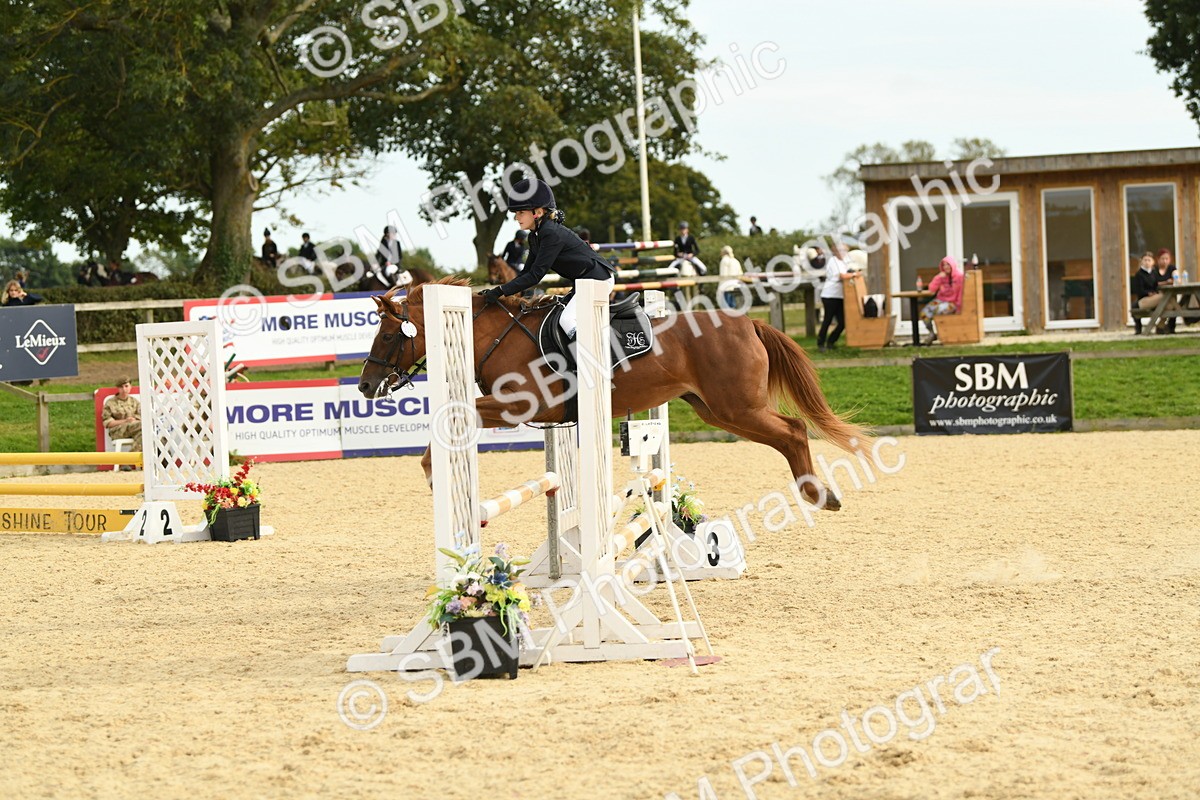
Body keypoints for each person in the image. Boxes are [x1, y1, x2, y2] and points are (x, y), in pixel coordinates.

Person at [480, 178, 615, 339]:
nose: (517, 217)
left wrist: (501, 291)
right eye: (516, 213)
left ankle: (597, 359)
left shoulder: (550, 233)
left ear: (537, 212)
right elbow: (526, 273)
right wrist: (500, 291)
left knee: (567, 320)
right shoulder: (535, 236)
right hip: (583, 282)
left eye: (521, 212)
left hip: (598, 279)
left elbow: (536, 275)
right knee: (555, 314)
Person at [816, 244, 854, 352]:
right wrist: (855, 274)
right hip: (830, 296)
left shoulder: (843, 262)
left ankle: (831, 342)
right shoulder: (833, 261)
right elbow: (841, 276)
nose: (844, 253)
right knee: (827, 320)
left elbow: (848, 272)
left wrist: (852, 273)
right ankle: (821, 343)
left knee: (843, 322)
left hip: (839, 296)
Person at [919, 256, 966, 344]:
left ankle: (943, 334)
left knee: (939, 310)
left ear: (952, 265)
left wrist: (959, 307)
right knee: (924, 313)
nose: (946, 267)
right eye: (943, 265)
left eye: (948, 264)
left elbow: (961, 293)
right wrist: (938, 277)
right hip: (940, 300)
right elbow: (932, 289)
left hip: (953, 302)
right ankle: (932, 334)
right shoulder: (941, 276)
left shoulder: (959, 276)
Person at [102, 377, 142, 464]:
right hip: (118, 431)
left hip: (135, 428)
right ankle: (129, 460)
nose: (124, 389)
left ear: (130, 386)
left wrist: (134, 419)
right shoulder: (111, 403)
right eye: (121, 387)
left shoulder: (135, 402)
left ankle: (127, 461)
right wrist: (125, 421)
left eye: (126, 386)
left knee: (144, 433)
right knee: (144, 427)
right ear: (118, 388)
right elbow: (108, 423)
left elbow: (141, 416)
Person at [1132, 252, 1162, 335]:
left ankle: (1162, 326)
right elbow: (1139, 290)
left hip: (1154, 298)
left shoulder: (1154, 273)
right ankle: (1141, 328)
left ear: (1153, 262)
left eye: (1149, 260)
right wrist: (1148, 293)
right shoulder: (1139, 274)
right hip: (1143, 300)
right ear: (1141, 261)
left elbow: (1157, 286)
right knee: (1165, 298)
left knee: (1169, 303)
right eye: (1145, 260)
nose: (1147, 262)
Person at [1154, 248, 1178, 333]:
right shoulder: (1154, 270)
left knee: (1172, 301)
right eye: (1162, 259)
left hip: (1170, 294)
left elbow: (1176, 277)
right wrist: (1166, 282)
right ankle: (1162, 326)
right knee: (1173, 304)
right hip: (1157, 295)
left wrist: (1175, 276)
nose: (1165, 261)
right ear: (1158, 259)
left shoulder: (1171, 268)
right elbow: (1154, 283)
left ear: (1170, 259)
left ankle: (1167, 326)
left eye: (1167, 259)